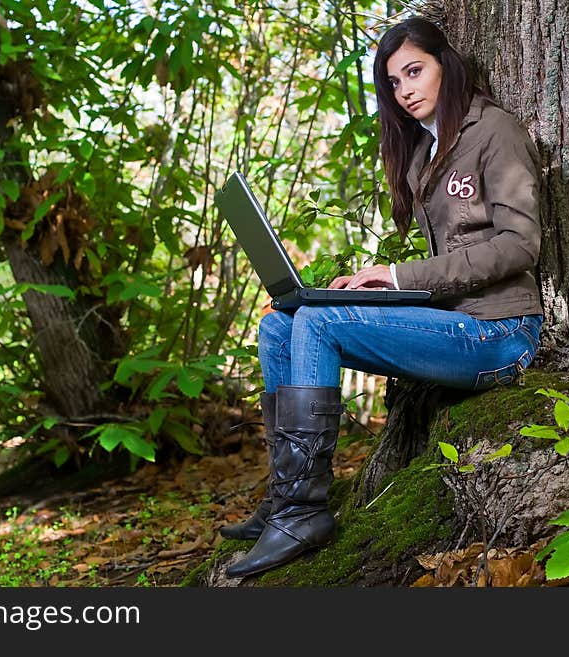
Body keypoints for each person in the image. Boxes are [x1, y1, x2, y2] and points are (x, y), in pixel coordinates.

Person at [221, 15, 545, 579]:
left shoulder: (496, 131)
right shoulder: (424, 152)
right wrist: (375, 286)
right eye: (394, 82)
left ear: (448, 66)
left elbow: (520, 246)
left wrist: (398, 276)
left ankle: (303, 513)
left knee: (318, 327)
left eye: (415, 71)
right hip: (449, 323)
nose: (405, 90)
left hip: (500, 334)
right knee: (282, 322)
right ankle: (285, 495)